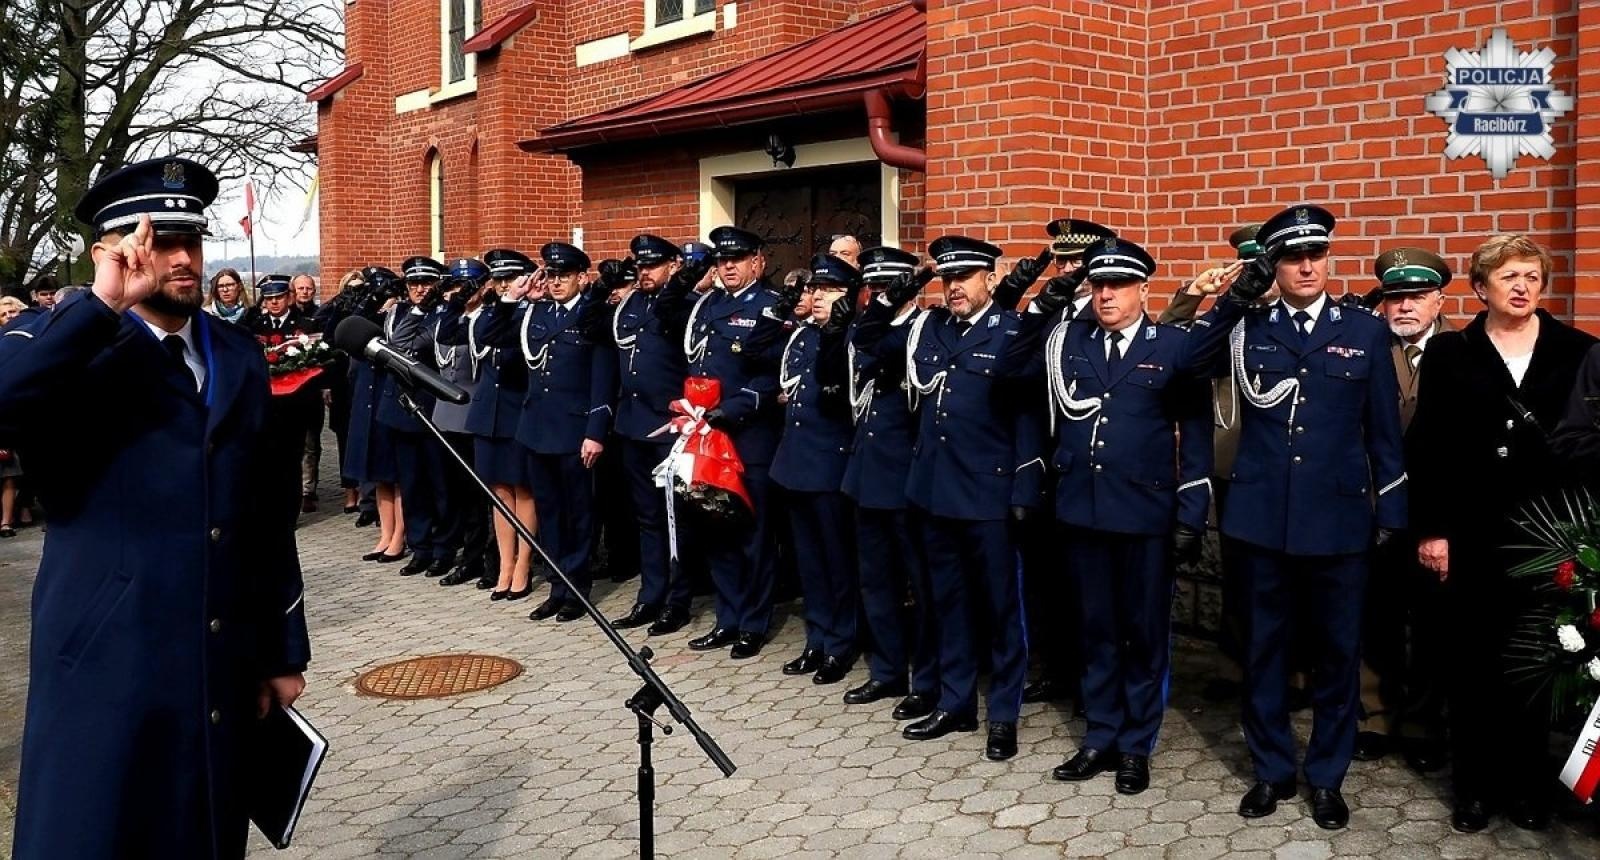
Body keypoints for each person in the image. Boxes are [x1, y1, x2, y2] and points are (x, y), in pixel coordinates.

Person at [1, 156, 308, 859]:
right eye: (157, 243)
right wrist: (99, 303)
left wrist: (281, 647)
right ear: (106, 254)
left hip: (217, 658)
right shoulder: (66, 346)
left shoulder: (234, 353)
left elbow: (262, 514)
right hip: (109, 661)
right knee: (101, 832)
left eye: (190, 242)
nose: (180, 259)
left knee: (204, 831)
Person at [1191, 204, 1407, 830]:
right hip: (1259, 520)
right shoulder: (1245, 327)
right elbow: (1190, 362)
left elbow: (1383, 433)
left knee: (1339, 654)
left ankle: (1327, 775)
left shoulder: (1364, 330)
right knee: (1263, 651)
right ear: (1273, 265)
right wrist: (1234, 299)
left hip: (1338, 521)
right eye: (1291, 257)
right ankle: (1272, 770)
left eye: (1315, 255)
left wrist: (1391, 506)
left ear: (1327, 259)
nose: (1306, 266)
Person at [1407, 234, 1597, 833]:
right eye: (1508, 276)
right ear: (1481, 286)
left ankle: (1529, 789)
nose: (1521, 286)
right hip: (1472, 531)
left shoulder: (1580, 350)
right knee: (1473, 667)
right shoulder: (1449, 353)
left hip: (1551, 537)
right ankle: (1474, 788)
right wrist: (1433, 531)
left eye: (1531, 277)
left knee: (1539, 668)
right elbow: (1429, 448)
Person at [1044, 237, 1212, 795]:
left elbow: (1196, 437)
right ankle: (1100, 734)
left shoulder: (1172, 347)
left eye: (1118, 285)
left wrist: (1192, 510)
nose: (1107, 295)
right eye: (1098, 285)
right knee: (1095, 629)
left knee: (1143, 634)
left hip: (1145, 513)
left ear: (1144, 290)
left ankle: (1137, 744)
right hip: (1084, 511)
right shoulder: (1072, 341)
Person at [898, 235, 1046, 762]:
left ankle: (1003, 714)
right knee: (948, 603)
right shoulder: (933, 328)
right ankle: (955, 702)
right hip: (935, 492)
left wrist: (1025, 488)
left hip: (989, 493)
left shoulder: (1016, 332)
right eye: (948, 278)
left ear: (992, 276)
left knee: (1003, 610)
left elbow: (1028, 418)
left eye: (965, 276)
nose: (955, 287)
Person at [1352, 248, 1455, 773]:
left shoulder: (1461, 352)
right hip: (1371, 509)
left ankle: (1422, 725)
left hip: (1436, 514)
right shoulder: (1364, 347)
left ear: (1440, 300)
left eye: (1417, 296)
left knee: (1434, 626)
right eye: (1395, 297)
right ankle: (1374, 717)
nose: (1406, 306)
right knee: (1376, 617)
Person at [480, 242, 617, 622]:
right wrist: (514, 297)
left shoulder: (592, 316)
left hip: (574, 432)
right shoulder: (534, 314)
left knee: (577, 514)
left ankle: (577, 588)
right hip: (536, 431)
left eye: (564, 276)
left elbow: (602, 380)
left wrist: (596, 431)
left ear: (581, 278)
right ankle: (557, 586)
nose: (556, 283)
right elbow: (491, 334)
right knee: (551, 513)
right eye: (552, 276)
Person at [682, 226, 787, 659]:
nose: (727, 266)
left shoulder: (771, 307)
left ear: (757, 262)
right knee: (716, 530)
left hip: (749, 438)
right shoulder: (707, 305)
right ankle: (728, 617)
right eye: (722, 260)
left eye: (737, 259)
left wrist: (740, 406)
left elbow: (775, 372)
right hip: (707, 438)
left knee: (753, 536)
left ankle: (753, 623)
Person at [841, 247, 936, 718]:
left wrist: (894, 300)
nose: (878, 295)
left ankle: (927, 677)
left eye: (888, 286)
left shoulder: (922, 328)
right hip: (869, 474)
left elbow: (874, 342)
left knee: (919, 585)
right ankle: (887, 670)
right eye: (873, 287)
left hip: (906, 477)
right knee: (875, 581)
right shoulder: (870, 329)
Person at [608, 235, 708, 634]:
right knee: (647, 518)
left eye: (653, 266)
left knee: (675, 520)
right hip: (633, 424)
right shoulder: (630, 304)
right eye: (641, 266)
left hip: (670, 428)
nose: (644, 272)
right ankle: (650, 596)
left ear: (675, 265)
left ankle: (677, 600)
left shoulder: (684, 305)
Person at [771, 253, 862, 685]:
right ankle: (817, 637)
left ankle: (841, 643)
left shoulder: (853, 337)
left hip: (832, 464)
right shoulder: (804, 335)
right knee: (809, 563)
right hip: (797, 463)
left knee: (836, 562)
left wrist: (840, 327)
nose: (820, 297)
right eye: (817, 290)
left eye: (830, 291)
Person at [461, 250, 541, 598]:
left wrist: (520, 302)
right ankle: (505, 563)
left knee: (523, 489)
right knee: (498, 491)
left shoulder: (532, 312)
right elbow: (486, 336)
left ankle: (524, 562)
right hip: (488, 413)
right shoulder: (491, 313)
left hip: (516, 411)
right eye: (500, 280)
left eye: (511, 279)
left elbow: (519, 353)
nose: (505, 286)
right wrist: (507, 301)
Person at [427, 258, 496, 587]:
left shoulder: (486, 321)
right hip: (445, 417)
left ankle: (482, 556)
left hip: (472, 417)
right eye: (454, 285)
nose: (459, 291)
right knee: (454, 493)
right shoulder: (449, 319)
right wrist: (450, 304)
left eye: (466, 285)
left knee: (478, 495)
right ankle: (462, 553)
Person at [382, 257, 452, 577]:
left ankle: (444, 547)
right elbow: (395, 346)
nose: (420, 290)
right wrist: (416, 312)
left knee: (440, 484)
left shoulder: (442, 314)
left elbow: (412, 345)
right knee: (411, 484)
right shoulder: (399, 313)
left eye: (426, 284)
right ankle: (420, 546)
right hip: (402, 408)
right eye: (413, 285)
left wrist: (423, 311)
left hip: (432, 408)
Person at [240, 274, 326, 526]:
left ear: (288, 297)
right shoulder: (254, 325)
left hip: (296, 405)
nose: (274, 303)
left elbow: (317, 363)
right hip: (265, 404)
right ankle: (268, 510)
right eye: (269, 299)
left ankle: (290, 512)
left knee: (292, 460)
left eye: (278, 297)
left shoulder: (305, 325)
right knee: (266, 460)